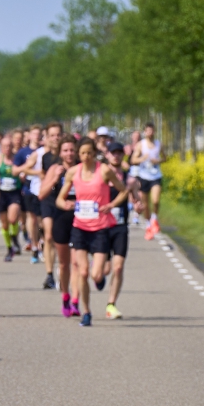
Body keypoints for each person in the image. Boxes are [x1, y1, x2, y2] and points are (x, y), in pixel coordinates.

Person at [57, 138, 129, 327]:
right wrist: (66, 204)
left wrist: (111, 205)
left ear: (95, 153)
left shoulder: (104, 170)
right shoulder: (73, 172)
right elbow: (59, 199)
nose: (86, 156)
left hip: (100, 229)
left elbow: (123, 191)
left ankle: (99, 277)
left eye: (89, 153)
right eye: (83, 153)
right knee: (82, 272)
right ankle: (87, 312)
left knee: (96, 275)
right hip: (80, 227)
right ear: (78, 155)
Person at [40, 135, 80, 318]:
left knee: (77, 263)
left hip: (80, 218)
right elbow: (42, 194)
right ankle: (66, 296)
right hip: (61, 217)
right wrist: (55, 179)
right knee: (64, 264)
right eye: (65, 150)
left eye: (72, 150)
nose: (69, 154)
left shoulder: (82, 168)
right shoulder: (55, 169)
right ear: (60, 152)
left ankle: (76, 300)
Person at [103, 141, 142, 319]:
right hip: (102, 227)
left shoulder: (130, 180)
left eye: (119, 153)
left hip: (120, 228)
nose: (116, 156)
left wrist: (138, 207)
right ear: (107, 155)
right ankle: (99, 275)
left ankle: (111, 304)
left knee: (118, 268)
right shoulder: (100, 177)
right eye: (113, 153)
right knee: (103, 271)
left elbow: (136, 201)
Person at [28, 122, 63, 289]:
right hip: (49, 198)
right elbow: (44, 177)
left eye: (58, 135)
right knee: (48, 236)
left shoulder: (70, 155)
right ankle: (49, 275)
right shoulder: (45, 157)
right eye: (52, 135)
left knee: (61, 239)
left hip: (65, 199)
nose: (56, 138)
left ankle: (62, 269)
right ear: (47, 138)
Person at [130, 122, 164, 240]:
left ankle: (154, 218)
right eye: (148, 131)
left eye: (152, 130)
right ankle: (148, 225)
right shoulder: (141, 145)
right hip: (144, 176)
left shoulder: (159, 144)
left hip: (156, 176)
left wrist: (158, 161)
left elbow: (165, 158)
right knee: (145, 204)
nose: (150, 133)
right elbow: (133, 160)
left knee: (155, 200)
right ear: (144, 132)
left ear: (154, 131)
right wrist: (142, 158)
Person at [16, 124, 43, 264]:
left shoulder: (45, 150)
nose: (37, 136)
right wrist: (24, 171)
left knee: (42, 220)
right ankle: (34, 245)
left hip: (45, 189)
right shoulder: (23, 152)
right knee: (31, 218)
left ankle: (42, 242)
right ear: (30, 136)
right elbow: (15, 169)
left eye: (39, 134)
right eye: (34, 134)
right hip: (28, 189)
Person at [0, 132, 24, 261]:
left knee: (13, 219)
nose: (7, 149)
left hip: (14, 192)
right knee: (5, 224)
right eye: (5, 146)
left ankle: (15, 238)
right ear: (1, 147)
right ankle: (9, 248)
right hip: (1, 193)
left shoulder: (17, 159)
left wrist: (22, 176)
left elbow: (23, 171)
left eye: (9, 146)